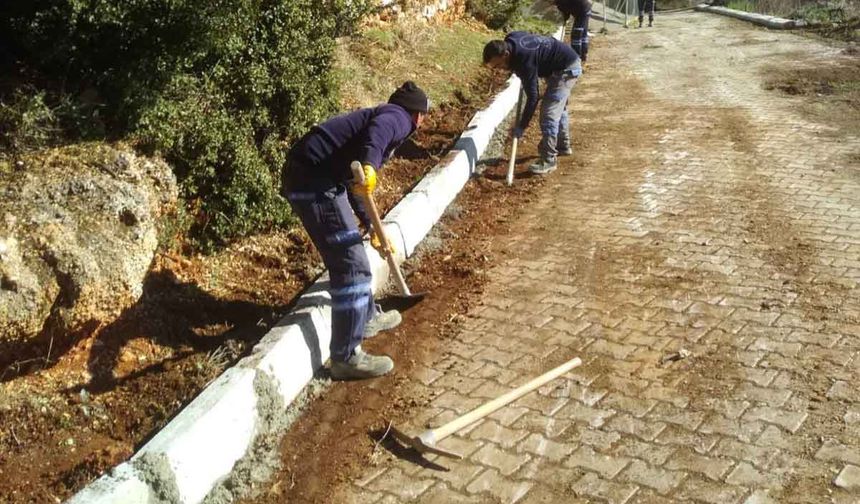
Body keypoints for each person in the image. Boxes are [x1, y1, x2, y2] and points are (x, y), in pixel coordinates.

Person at [281, 81, 430, 380]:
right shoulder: (398, 117)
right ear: (418, 115)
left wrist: (371, 224)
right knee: (352, 266)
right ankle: (346, 356)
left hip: (321, 178)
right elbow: (375, 140)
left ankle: (366, 318)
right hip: (312, 182)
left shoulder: (382, 115)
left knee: (355, 258)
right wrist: (371, 165)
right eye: (424, 116)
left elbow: (355, 184)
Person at [483, 32, 581, 175]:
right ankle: (562, 145)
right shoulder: (511, 38)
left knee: (549, 114)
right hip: (560, 64)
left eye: (498, 65)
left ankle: (549, 159)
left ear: (505, 54)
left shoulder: (524, 62)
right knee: (559, 108)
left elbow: (533, 97)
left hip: (566, 70)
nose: (499, 69)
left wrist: (522, 126)